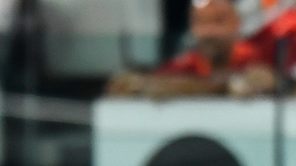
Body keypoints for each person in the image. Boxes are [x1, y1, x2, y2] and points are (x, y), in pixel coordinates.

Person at [106, 0, 272, 98]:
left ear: (237, 24)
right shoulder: (181, 66)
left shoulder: (259, 58)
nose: (210, 32)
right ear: (191, 27)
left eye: (219, 21)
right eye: (201, 22)